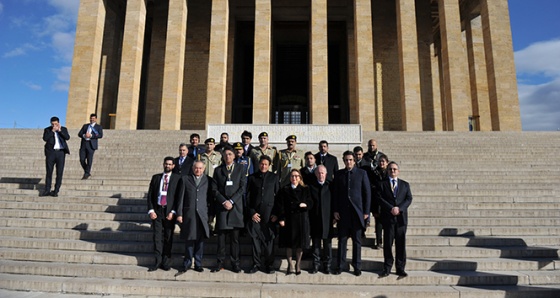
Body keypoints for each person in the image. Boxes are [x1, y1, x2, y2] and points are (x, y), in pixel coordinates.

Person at [332, 151, 370, 276]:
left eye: (350, 160)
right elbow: (335, 194)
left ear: (354, 161)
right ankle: (340, 265)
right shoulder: (338, 174)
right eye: (346, 160)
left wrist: (366, 212)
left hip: (357, 213)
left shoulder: (362, 173)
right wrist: (335, 210)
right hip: (343, 213)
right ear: (343, 161)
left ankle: (357, 266)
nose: (348, 162)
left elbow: (367, 194)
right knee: (342, 240)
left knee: (356, 241)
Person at [211, 147, 247, 273]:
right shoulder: (218, 170)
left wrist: (231, 201)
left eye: (230, 154)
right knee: (221, 238)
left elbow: (242, 188)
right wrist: (224, 201)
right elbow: (214, 189)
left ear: (234, 156)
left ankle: (235, 263)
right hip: (222, 208)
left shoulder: (240, 169)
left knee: (234, 239)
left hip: (235, 208)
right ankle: (219, 263)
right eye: (226, 154)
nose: (228, 157)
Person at [176, 161, 214, 274]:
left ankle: (198, 263)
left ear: (204, 169)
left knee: (200, 241)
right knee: (189, 240)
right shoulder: (185, 179)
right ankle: (187, 262)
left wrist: (211, 214)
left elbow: (210, 199)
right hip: (189, 214)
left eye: (200, 168)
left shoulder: (208, 180)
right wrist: (179, 214)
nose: (198, 170)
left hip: (202, 214)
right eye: (196, 168)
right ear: (193, 168)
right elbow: (180, 198)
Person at [274, 169, 313, 275]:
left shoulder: (305, 189)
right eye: (292, 176)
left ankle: (298, 264)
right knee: (289, 244)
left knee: (300, 244)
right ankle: (290, 264)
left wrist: (306, 205)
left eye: (296, 176)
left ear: (300, 178)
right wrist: (281, 218)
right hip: (289, 219)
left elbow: (311, 202)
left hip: (301, 219)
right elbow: (280, 205)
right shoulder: (284, 189)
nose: (294, 178)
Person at [378, 162, 413, 278]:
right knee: (388, 244)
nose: (392, 171)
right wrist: (391, 208)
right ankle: (387, 267)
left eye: (394, 169)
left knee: (401, 244)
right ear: (387, 171)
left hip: (401, 219)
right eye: (390, 169)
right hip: (388, 218)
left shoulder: (405, 185)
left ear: (398, 171)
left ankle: (400, 268)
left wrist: (400, 209)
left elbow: (409, 198)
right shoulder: (382, 184)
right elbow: (379, 198)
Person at [245, 155, 280, 274]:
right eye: (261, 164)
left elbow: (278, 196)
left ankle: (269, 264)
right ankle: (256, 264)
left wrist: (276, 214)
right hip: (256, 214)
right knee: (255, 240)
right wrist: (251, 212)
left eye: (266, 164)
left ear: (269, 165)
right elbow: (248, 197)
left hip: (269, 215)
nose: (263, 166)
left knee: (268, 240)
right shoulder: (252, 178)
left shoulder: (274, 177)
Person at [147, 156, 182, 272]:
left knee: (168, 237)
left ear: (173, 166)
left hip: (169, 212)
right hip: (157, 211)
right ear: (163, 164)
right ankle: (157, 261)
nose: (167, 166)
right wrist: (151, 210)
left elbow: (178, 198)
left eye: (170, 164)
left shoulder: (177, 178)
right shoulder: (156, 178)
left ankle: (166, 261)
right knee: (157, 237)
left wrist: (173, 212)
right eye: (166, 164)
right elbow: (150, 195)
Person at [308, 165, 334, 274]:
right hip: (315, 219)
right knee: (316, 244)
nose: (321, 175)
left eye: (322, 173)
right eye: (318, 173)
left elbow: (334, 203)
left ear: (326, 174)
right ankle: (316, 265)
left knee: (327, 245)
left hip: (328, 220)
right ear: (315, 174)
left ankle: (327, 265)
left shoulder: (330, 186)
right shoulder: (311, 187)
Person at [41, 116, 70, 197]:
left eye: (56, 124)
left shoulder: (63, 129)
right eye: (53, 124)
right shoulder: (47, 130)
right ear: (51, 124)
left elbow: (67, 137)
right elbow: (45, 138)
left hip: (60, 153)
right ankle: (47, 190)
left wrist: (60, 131)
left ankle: (56, 190)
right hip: (51, 153)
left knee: (59, 172)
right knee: (49, 172)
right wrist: (52, 131)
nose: (54, 125)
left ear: (58, 123)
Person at [366, 153, 389, 249]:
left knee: (387, 224)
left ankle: (388, 241)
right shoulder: (374, 172)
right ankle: (379, 241)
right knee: (378, 223)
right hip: (377, 202)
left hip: (387, 202)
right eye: (380, 161)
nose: (381, 163)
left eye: (383, 161)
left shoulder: (389, 172)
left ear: (387, 163)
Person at [78, 113, 103, 180]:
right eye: (91, 118)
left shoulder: (98, 127)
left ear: (96, 119)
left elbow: (100, 135)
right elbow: (79, 133)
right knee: (82, 159)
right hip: (84, 144)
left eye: (94, 118)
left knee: (89, 159)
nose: (92, 119)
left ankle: (86, 173)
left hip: (91, 144)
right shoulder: (85, 126)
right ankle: (87, 171)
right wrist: (84, 135)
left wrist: (91, 136)